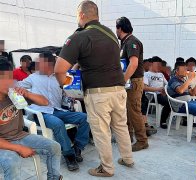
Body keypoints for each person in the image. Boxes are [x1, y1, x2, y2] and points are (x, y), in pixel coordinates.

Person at [54, 1, 134, 177]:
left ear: (82, 15)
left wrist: (67, 88)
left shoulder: (79, 36)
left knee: (101, 131)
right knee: (120, 126)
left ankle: (106, 168)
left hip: (99, 93)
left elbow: (59, 70)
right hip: (119, 90)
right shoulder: (112, 35)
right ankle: (128, 158)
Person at [17, 52, 90, 172]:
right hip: (41, 113)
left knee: (85, 117)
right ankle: (69, 155)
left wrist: (75, 95)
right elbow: (17, 85)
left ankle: (78, 147)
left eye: (40, 62)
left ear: (48, 64)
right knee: (57, 123)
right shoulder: (33, 77)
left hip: (57, 110)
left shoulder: (60, 77)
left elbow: (70, 91)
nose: (37, 64)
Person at [0, 58, 62, 180]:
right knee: (12, 161)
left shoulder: (13, 95)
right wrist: (19, 148)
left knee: (54, 147)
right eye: (3, 78)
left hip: (20, 135)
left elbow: (45, 102)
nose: (9, 82)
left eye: (10, 78)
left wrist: (27, 94)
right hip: (2, 143)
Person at [116, 16, 148, 151]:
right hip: (129, 82)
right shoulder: (125, 42)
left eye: (116, 28)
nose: (116, 31)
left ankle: (142, 140)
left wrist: (122, 81)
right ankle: (127, 136)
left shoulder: (132, 42)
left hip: (133, 82)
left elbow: (133, 64)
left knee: (134, 111)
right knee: (126, 111)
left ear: (120, 28)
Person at [167, 61, 196, 141]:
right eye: (183, 70)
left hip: (188, 102)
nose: (186, 72)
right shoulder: (173, 80)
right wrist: (190, 79)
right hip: (180, 105)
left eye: (186, 70)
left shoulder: (183, 81)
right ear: (176, 71)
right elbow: (180, 90)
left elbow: (192, 93)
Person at [143, 56, 171, 129]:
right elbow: (144, 87)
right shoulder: (146, 74)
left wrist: (165, 90)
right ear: (151, 64)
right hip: (152, 95)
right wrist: (157, 89)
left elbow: (168, 85)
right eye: (157, 64)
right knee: (168, 102)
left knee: (173, 100)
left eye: (160, 65)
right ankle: (163, 121)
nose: (159, 66)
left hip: (161, 94)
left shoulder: (161, 74)